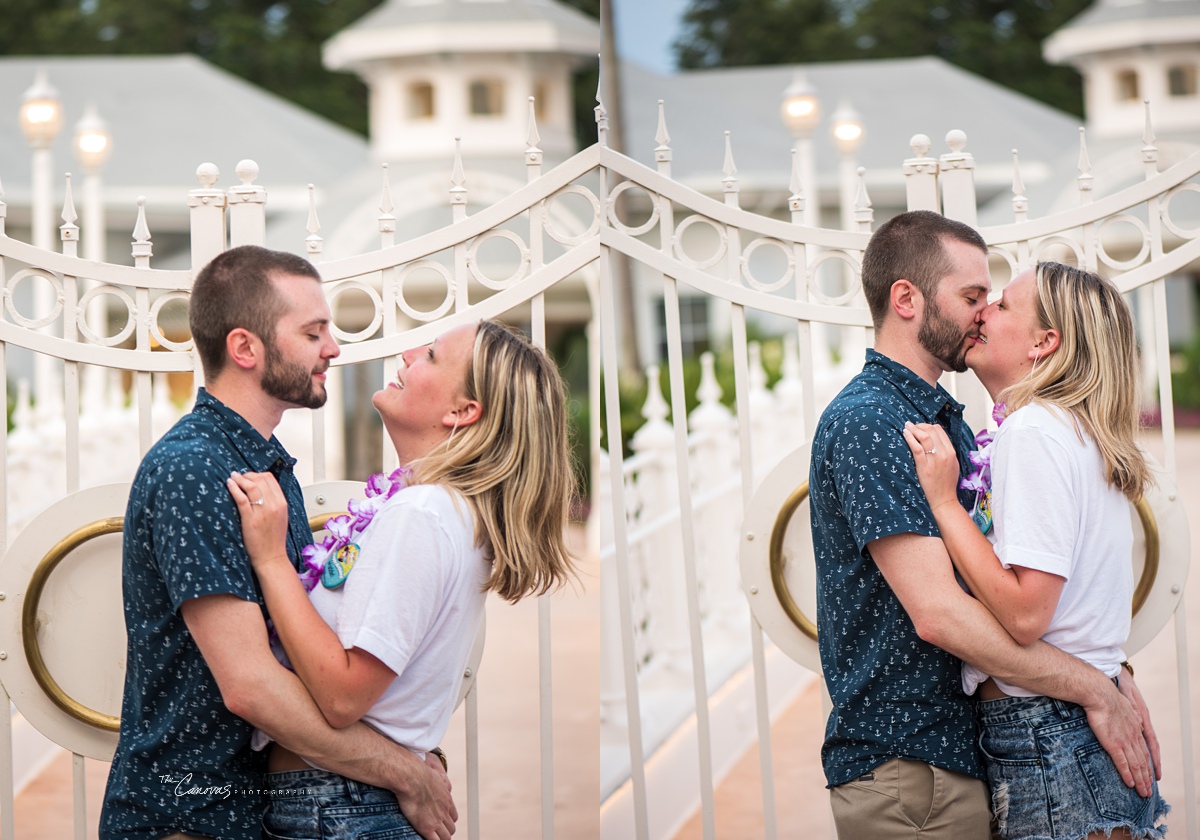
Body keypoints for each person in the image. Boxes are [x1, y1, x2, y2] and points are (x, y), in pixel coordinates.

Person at [808, 211, 1156, 840]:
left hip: (970, 752)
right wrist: (1095, 688)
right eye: (972, 297)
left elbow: (1037, 573)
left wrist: (1112, 671)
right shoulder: (873, 423)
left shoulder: (960, 424)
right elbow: (941, 612)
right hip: (911, 763)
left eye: (993, 301)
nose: (982, 312)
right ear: (907, 299)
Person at [101, 245, 456, 840]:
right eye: (313, 332)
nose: (334, 349)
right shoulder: (195, 469)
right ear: (245, 348)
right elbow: (251, 687)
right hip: (190, 818)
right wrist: (404, 773)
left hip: (251, 810)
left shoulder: (263, 467)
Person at [225, 318, 577, 838]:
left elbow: (344, 697)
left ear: (462, 411)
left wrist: (271, 559)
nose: (409, 353)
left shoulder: (423, 514)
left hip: (338, 808)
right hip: (342, 802)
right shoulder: (437, 510)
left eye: (432, 354)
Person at [901, 262, 1169, 839]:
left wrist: (945, 505)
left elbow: (1026, 614)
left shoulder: (1033, 433)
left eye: (1001, 305)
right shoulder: (1072, 432)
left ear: (1045, 343)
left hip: (1048, 732)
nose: (983, 312)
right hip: (1070, 726)